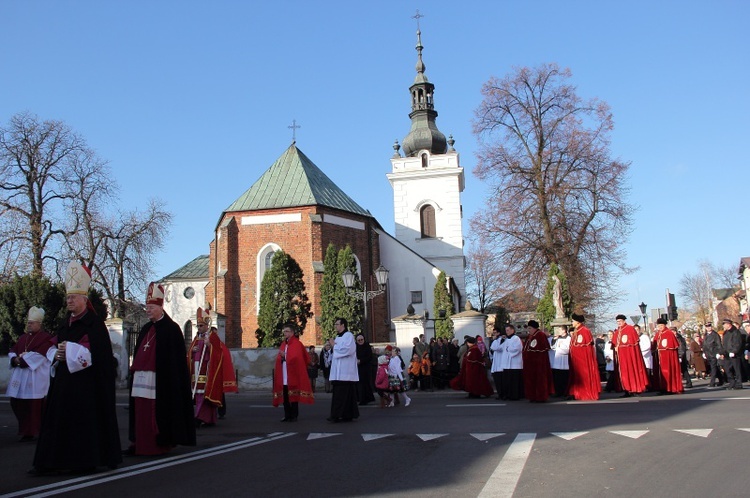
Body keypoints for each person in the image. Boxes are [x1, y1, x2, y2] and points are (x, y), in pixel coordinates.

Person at [32, 261, 121, 474]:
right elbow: (52, 346)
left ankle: (82, 460)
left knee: (82, 424)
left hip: (86, 387)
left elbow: (97, 354)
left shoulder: (95, 325)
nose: (69, 301)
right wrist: (57, 353)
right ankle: (52, 461)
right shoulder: (66, 323)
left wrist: (69, 352)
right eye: (67, 298)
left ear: (84, 299)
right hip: (63, 384)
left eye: (73, 297)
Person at [125, 282, 195, 456]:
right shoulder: (146, 328)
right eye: (147, 308)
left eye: (151, 308)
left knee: (157, 412)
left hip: (161, 381)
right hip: (141, 378)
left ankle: (159, 442)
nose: (147, 311)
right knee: (141, 411)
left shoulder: (172, 329)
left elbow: (175, 362)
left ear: (160, 307)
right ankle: (140, 442)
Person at [7, 306, 54, 441]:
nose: (29, 325)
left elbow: (39, 356)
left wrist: (20, 360)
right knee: (18, 403)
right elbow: (13, 350)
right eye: (28, 322)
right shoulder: (23, 338)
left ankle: (37, 431)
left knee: (35, 407)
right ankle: (26, 431)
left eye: (32, 323)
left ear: (39, 324)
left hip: (36, 379)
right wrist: (15, 359)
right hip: (21, 378)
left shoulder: (46, 338)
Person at [188, 308, 237, 427]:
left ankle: (199, 417)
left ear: (206, 325)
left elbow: (218, 353)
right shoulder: (196, 338)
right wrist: (192, 352)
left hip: (207, 369)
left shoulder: (212, 337)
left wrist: (209, 345)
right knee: (199, 394)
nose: (198, 328)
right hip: (196, 368)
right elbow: (190, 352)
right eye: (197, 326)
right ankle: (208, 418)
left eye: (201, 325)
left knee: (205, 395)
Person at [272, 323, 314, 421]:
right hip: (284, 373)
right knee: (285, 396)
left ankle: (294, 415)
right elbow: (280, 357)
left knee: (294, 396)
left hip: (293, 374)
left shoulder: (297, 344)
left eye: (286, 331)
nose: (285, 333)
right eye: (284, 332)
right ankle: (287, 415)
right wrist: (281, 357)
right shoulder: (283, 344)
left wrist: (285, 356)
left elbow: (297, 357)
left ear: (292, 332)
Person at [328, 318, 359, 422]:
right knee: (339, 394)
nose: (335, 326)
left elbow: (348, 350)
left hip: (346, 372)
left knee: (344, 395)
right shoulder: (337, 337)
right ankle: (342, 414)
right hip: (338, 372)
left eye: (337, 324)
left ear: (343, 325)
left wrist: (334, 345)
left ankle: (340, 415)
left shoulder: (348, 336)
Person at [613, 315, 649, 397]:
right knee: (624, 373)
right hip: (621, 357)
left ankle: (635, 389)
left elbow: (633, 344)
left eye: (620, 321)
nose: (618, 323)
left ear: (624, 321)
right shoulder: (617, 331)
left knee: (632, 371)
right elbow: (615, 344)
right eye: (617, 322)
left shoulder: (630, 329)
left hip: (629, 356)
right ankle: (626, 390)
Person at [568, 313, 601, 401]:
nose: (572, 322)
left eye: (573, 321)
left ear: (578, 322)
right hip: (576, 360)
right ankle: (577, 393)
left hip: (582, 360)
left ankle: (586, 393)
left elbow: (585, 348)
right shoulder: (576, 331)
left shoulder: (584, 331)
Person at [522, 320, 554, 402]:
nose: (528, 330)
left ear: (534, 328)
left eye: (530, 328)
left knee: (539, 379)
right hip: (530, 363)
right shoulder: (530, 336)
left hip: (538, 363)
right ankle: (532, 396)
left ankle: (540, 396)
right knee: (531, 380)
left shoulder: (540, 335)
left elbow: (540, 350)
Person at [652, 318, 683, 394]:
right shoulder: (657, 334)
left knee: (668, 372)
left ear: (664, 325)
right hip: (659, 357)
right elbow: (654, 346)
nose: (660, 327)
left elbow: (672, 347)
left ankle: (670, 388)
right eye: (659, 326)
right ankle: (662, 387)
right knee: (661, 373)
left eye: (661, 325)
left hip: (667, 357)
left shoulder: (669, 333)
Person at [718, 318, 743, 390]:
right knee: (727, 368)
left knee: (736, 369)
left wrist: (734, 351)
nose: (723, 326)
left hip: (734, 354)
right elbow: (724, 344)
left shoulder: (735, 332)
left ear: (728, 324)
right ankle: (732, 382)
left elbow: (737, 343)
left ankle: (738, 383)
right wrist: (721, 353)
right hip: (727, 354)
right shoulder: (725, 333)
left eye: (724, 324)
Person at [500, 325, 524, 400]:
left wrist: (508, 349)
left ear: (513, 330)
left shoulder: (516, 338)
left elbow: (518, 349)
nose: (507, 332)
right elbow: (500, 348)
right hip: (507, 364)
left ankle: (515, 395)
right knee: (507, 381)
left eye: (508, 330)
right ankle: (508, 394)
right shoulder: (507, 339)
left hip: (514, 364)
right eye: (506, 330)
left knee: (514, 381)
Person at [550, 325, 571, 398]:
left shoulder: (569, 338)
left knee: (564, 377)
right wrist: (554, 340)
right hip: (557, 360)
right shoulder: (558, 338)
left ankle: (564, 392)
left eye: (560, 330)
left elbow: (567, 349)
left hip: (564, 360)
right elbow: (553, 347)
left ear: (564, 330)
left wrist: (558, 348)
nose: (558, 332)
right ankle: (557, 391)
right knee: (557, 377)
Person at [355, 333, 375, 405]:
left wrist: (361, 360)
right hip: (357, 368)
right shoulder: (355, 347)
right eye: (358, 340)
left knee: (365, 383)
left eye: (361, 339)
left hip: (366, 367)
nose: (360, 341)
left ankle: (365, 399)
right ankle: (360, 398)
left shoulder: (367, 346)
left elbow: (369, 357)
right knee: (359, 384)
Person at [702, 323, 725, 387]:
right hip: (708, 354)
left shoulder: (715, 335)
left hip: (713, 353)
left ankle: (712, 382)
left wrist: (719, 353)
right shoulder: (706, 335)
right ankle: (721, 380)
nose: (708, 328)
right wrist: (704, 352)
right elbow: (704, 344)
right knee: (715, 368)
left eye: (709, 326)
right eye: (707, 327)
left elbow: (718, 344)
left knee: (713, 368)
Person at [489, 326, 505, 400]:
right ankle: (500, 393)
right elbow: (491, 349)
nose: (494, 334)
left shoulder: (502, 340)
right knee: (497, 381)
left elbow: (496, 348)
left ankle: (502, 394)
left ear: (499, 333)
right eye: (493, 333)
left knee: (501, 381)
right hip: (496, 363)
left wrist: (494, 341)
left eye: (495, 333)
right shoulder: (495, 340)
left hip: (500, 364)